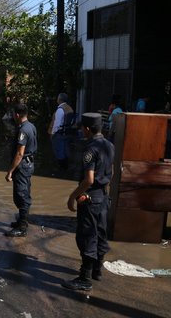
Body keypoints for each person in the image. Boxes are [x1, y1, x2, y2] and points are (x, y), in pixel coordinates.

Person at [63, 113, 114, 291]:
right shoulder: (109, 146)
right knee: (100, 233)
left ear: (87, 129)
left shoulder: (90, 149)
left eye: (82, 128)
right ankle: (97, 270)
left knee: (87, 236)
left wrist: (72, 197)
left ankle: (84, 278)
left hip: (90, 198)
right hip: (103, 198)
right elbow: (111, 173)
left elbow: (89, 180)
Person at [5, 103, 38, 237]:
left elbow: (20, 153)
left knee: (21, 195)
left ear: (17, 115)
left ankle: (22, 227)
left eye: (14, 114)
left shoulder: (23, 130)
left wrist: (10, 171)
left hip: (23, 165)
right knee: (23, 192)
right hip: (28, 164)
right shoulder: (31, 126)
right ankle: (21, 221)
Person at [48, 93, 75, 170]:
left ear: (59, 99)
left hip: (59, 134)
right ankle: (66, 168)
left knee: (59, 152)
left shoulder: (60, 110)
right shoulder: (70, 108)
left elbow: (57, 124)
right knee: (66, 151)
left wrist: (52, 134)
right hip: (67, 133)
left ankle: (61, 169)